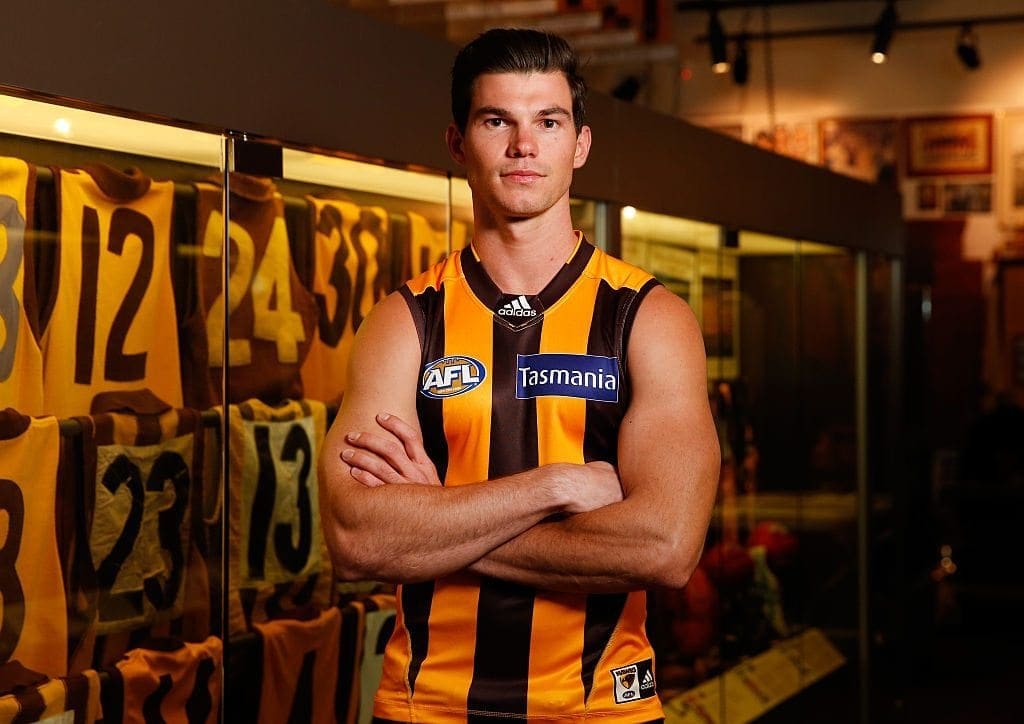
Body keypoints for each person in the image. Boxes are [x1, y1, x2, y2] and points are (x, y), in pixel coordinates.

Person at [318, 27, 720, 723]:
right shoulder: (404, 319)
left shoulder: (649, 318)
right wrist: (556, 485)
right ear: (456, 143)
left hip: (604, 709)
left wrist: (436, 524)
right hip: (426, 708)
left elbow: (665, 547)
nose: (523, 146)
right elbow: (358, 539)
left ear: (580, 145)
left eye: (549, 122)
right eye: (496, 120)